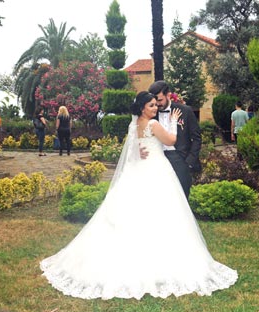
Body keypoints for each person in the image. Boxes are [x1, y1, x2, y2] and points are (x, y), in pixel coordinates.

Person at [40, 91, 238, 300]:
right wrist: (171, 123)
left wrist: (141, 151)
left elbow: (133, 152)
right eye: (151, 105)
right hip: (157, 170)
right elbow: (171, 140)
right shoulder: (153, 125)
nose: (155, 108)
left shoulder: (134, 126)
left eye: (156, 105)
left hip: (138, 170)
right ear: (143, 107)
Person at [148, 80, 201, 198]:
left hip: (181, 159)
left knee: (182, 197)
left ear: (168, 95)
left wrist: (189, 161)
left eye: (160, 100)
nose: (157, 104)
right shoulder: (150, 114)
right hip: (157, 160)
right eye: (154, 101)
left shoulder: (185, 111)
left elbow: (197, 138)